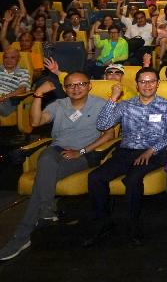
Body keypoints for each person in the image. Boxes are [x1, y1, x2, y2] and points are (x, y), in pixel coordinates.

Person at [0, 72, 114, 260]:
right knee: (46, 157)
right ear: (65, 88)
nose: (76, 89)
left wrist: (82, 151)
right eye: (70, 85)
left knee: (40, 184)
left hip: (84, 154)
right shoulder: (58, 105)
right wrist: (38, 95)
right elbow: (35, 122)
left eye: (81, 84)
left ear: (89, 86)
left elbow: (109, 135)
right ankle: (45, 211)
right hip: (57, 151)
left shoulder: (102, 105)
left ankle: (21, 236)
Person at [84, 67, 167, 247]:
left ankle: (133, 225)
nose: (147, 85)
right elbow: (102, 124)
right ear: (136, 85)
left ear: (158, 84)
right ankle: (103, 222)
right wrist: (113, 99)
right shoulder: (125, 105)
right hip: (126, 151)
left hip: (155, 152)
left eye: (152, 81)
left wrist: (152, 149)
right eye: (143, 81)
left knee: (132, 179)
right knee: (95, 177)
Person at [0, 48, 30, 116]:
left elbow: (22, 89)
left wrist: (4, 97)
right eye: (6, 57)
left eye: (12, 58)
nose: (8, 60)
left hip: (7, 101)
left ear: (18, 59)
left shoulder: (23, 72)